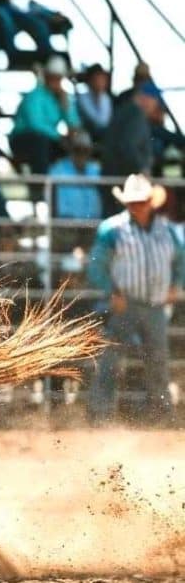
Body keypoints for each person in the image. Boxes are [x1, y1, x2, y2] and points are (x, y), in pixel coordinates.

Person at [87, 174, 183, 425]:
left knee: (158, 359)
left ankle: (161, 413)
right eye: (132, 202)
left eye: (141, 201)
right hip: (125, 303)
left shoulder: (168, 231)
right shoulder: (112, 230)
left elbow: (181, 260)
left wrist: (176, 285)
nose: (136, 206)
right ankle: (100, 412)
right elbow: (96, 266)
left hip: (156, 305)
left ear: (150, 202)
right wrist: (112, 291)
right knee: (110, 359)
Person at [8, 55, 79, 178]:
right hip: (23, 139)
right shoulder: (34, 95)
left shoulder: (60, 98)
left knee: (72, 146)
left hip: (48, 139)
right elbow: (35, 125)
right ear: (46, 76)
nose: (55, 81)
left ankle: (65, 184)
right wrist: (59, 137)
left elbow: (74, 124)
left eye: (58, 78)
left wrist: (66, 105)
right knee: (40, 143)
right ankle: (41, 184)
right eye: (53, 77)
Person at [48, 132, 101, 220]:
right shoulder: (57, 170)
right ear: (70, 150)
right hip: (66, 223)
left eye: (86, 150)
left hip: (92, 222)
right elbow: (52, 200)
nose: (81, 154)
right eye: (77, 149)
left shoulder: (96, 170)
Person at [77, 64, 113, 144]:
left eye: (103, 79)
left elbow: (105, 121)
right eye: (97, 79)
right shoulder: (82, 98)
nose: (101, 82)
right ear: (90, 81)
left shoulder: (106, 98)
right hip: (87, 133)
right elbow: (97, 120)